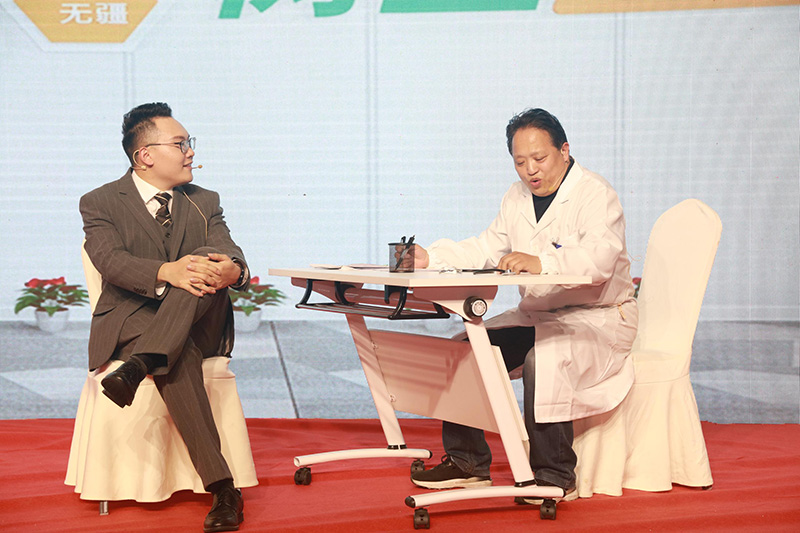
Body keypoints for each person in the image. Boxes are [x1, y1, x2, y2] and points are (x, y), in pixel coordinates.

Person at [408, 108, 638, 501]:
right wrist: (431, 257)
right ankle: (467, 462)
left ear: (564, 151)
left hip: (597, 318)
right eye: (519, 162)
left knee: (543, 359)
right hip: (540, 316)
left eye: (539, 158)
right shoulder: (516, 197)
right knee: (467, 350)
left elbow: (599, 261)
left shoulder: (596, 194)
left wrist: (542, 262)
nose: (530, 170)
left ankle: (555, 475)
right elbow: (486, 247)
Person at [80, 102, 249, 532]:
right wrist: (165, 272)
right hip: (132, 318)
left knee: (205, 255)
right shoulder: (100, 202)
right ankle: (224, 489)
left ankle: (143, 362)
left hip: (200, 318)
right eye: (180, 143)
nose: (191, 151)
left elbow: (228, 251)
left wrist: (234, 270)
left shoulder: (204, 200)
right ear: (146, 156)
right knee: (178, 354)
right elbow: (110, 261)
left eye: (189, 143)